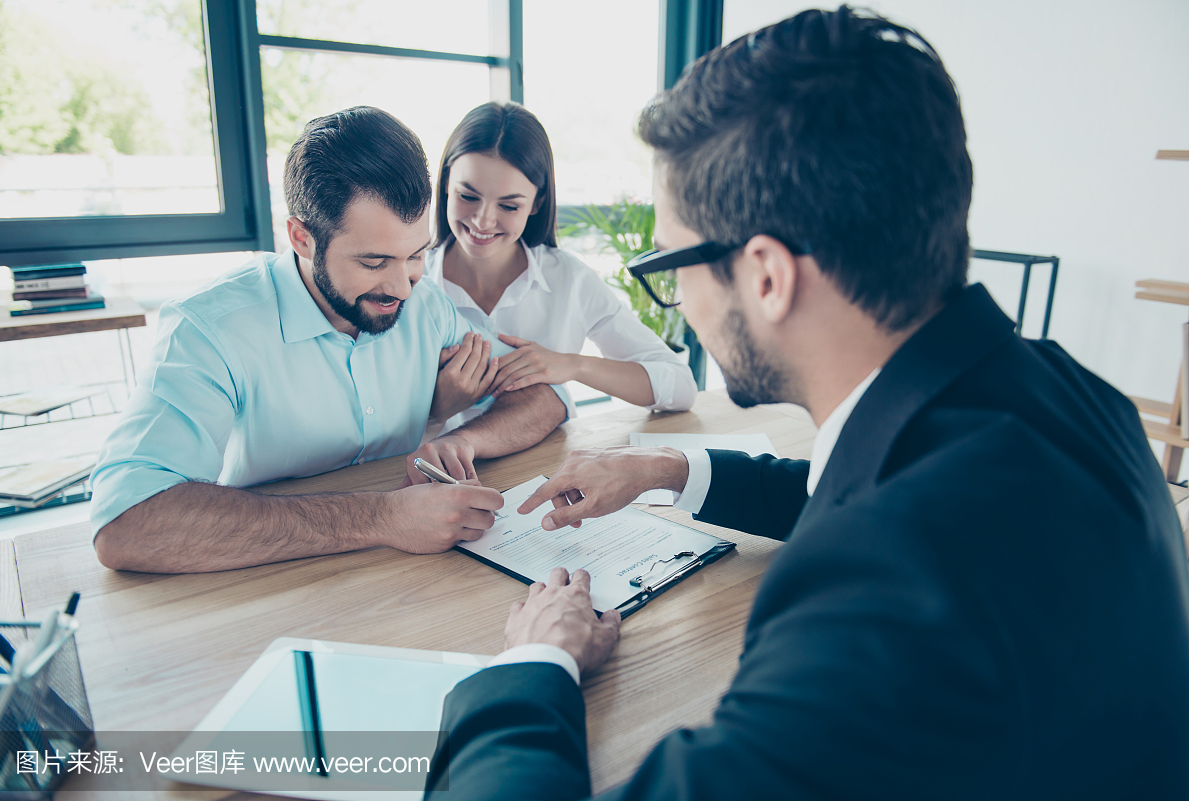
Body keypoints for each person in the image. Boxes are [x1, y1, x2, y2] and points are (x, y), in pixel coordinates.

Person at [424, 8, 1189, 799]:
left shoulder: (880, 597)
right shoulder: (1068, 394)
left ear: (765, 275)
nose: (677, 297)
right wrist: (662, 467)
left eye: (672, 260)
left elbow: (889, 542)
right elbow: (869, 483)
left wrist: (535, 660)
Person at [90, 106, 571, 575]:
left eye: (416, 256)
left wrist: (464, 440)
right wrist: (382, 518)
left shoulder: (424, 305)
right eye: (373, 262)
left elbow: (547, 393)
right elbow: (126, 521)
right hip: (264, 582)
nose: (403, 287)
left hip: (410, 577)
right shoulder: (209, 329)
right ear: (302, 238)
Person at [423, 102, 696, 433]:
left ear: (537, 202)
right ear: (446, 184)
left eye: (509, 205)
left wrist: (573, 366)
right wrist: (436, 410)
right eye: (467, 196)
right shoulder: (411, 282)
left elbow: (681, 387)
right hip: (438, 473)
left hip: (548, 470)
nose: (483, 220)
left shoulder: (569, 279)